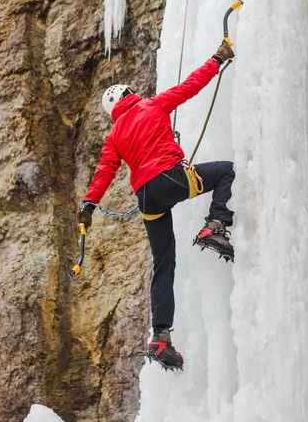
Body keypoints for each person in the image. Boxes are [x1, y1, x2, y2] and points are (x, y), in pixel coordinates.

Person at [78, 42, 236, 371]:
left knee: (164, 260)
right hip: (169, 179)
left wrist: (89, 205)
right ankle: (215, 225)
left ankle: (160, 335)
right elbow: (190, 86)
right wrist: (217, 58)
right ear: (129, 94)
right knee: (225, 170)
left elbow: (105, 171)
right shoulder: (153, 106)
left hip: (147, 199)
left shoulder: (114, 137)